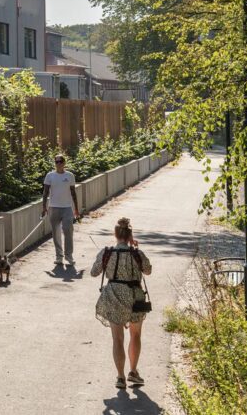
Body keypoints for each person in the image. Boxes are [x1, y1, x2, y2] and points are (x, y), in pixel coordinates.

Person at [91, 217, 153, 389]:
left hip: (114, 295)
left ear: (115, 234)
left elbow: (94, 273)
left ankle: (120, 377)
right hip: (135, 296)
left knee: (117, 338)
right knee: (135, 335)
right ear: (130, 236)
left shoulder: (107, 253)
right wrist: (136, 249)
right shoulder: (136, 253)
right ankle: (133, 371)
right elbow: (148, 271)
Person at [41, 154, 80, 266]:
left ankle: (69, 256)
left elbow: (73, 193)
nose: (58, 163)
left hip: (67, 208)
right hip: (53, 207)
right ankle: (59, 256)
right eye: (56, 161)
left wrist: (76, 209)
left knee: (68, 231)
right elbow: (45, 192)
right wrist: (44, 207)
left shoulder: (70, 175)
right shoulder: (50, 176)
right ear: (55, 163)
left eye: (60, 161)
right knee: (56, 233)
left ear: (64, 163)